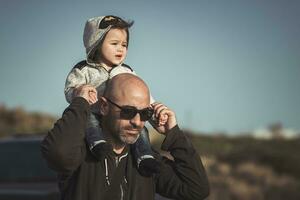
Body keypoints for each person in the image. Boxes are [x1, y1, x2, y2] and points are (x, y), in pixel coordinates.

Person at [41, 73, 210, 200]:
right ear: (105, 107)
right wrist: (80, 103)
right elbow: (58, 154)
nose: (137, 122)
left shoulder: (145, 162)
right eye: (128, 112)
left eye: (144, 114)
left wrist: (173, 133)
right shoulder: (80, 154)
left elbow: (196, 189)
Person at [64, 15, 159, 174]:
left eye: (124, 44)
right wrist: (78, 93)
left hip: (121, 117)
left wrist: (155, 115)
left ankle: (145, 157)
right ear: (95, 44)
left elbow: (143, 98)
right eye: (114, 44)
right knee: (89, 121)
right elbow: (70, 89)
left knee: (140, 128)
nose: (120, 49)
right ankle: (97, 144)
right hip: (94, 111)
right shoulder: (84, 70)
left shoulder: (127, 71)